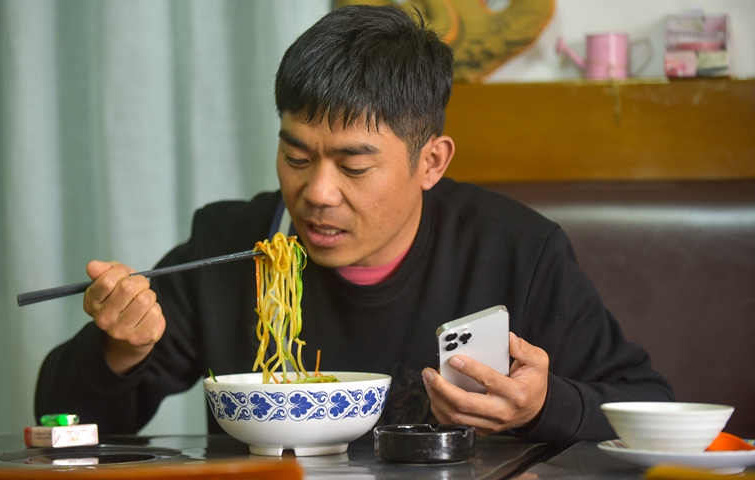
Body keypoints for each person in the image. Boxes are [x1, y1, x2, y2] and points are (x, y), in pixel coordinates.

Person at [35, 4, 674, 444]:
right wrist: (117, 350)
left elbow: (652, 407)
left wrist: (543, 405)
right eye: (295, 155)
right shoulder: (234, 243)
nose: (315, 193)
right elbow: (62, 423)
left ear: (430, 161)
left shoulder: (514, 249)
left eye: (354, 165)